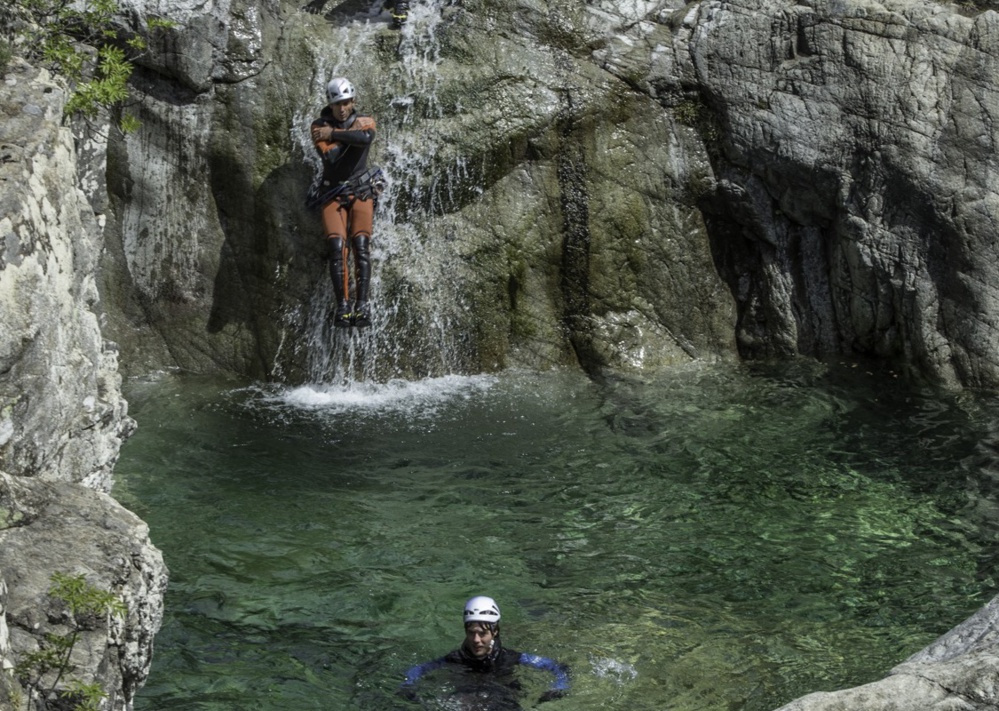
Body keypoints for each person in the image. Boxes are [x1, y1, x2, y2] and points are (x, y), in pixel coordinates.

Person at [399, 596, 570, 707]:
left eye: (482, 634)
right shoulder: (455, 659)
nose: (476, 640)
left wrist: (557, 688)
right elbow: (418, 669)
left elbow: (557, 667)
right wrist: (407, 685)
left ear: (495, 632)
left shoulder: (510, 657)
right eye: (471, 633)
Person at [309, 77, 384, 328]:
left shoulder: (364, 120)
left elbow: (366, 138)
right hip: (332, 194)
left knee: (361, 245)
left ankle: (362, 306)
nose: (342, 108)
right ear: (330, 105)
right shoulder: (318, 126)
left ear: (353, 101)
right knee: (337, 247)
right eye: (337, 104)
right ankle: (342, 307)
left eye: (346, 102)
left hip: (361, 192)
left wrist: (335, 134)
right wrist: (351, 136)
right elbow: (332, 156)